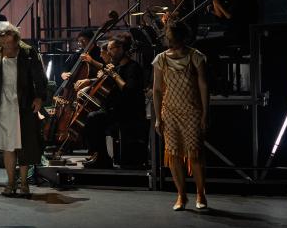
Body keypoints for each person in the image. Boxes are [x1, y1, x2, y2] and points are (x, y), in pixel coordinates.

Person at [0, 25, 48, 198]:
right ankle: (10, 182)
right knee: (7, 145)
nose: (6, 47)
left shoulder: (27, 52)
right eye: (3, 43)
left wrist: (39, 97)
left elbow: (40, 77)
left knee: (23, 144)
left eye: (9, 43)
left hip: (23, 104)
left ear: (16, 40)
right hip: (3, 105)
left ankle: (24, 183)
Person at [152, 21, 209, 211]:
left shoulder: (195, 56)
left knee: (195, 154)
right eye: (169, 37)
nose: (170, 41)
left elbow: (203, 85)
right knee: (174, 154)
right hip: (170, 111)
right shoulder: (161, 59)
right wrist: (158, 118)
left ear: (182, 37)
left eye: (173, 38)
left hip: (192, 110)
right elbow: (157, 90)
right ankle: (181, 195)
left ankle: (200, 194)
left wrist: (205, 114)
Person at [81, 33, 148, 169]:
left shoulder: (133, 67)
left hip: (129, 112)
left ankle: (102, 158)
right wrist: (95, 80)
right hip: (115, 110)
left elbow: (129, 90)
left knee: (93, 118)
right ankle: (99, 155)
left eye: (111, 49)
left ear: (121, 48)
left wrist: (114, 75)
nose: (109, 52)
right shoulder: (116, 67)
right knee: (91, 116)